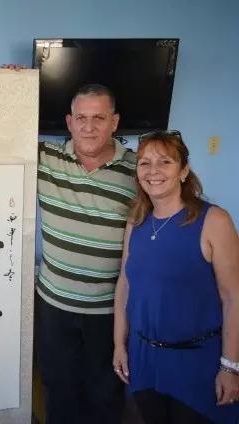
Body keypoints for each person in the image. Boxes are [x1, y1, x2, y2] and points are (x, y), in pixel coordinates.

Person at [113, 130, 239, 423]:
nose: (153, 171)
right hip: (143, 357)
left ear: (183, 171)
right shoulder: (136, 220)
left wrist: (231, 366)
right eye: (144, 163)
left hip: (196, 362)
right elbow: (125, 284)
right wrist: (119, 344)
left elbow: (233, 298)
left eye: (165, 162)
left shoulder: (214, 221)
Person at [35, 84, 135, 423]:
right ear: (69, 122)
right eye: (81, 118)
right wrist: (6, 85)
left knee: (105, 395)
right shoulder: (45, 158)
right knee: (59, 391)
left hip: (108, 311)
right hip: (54, 306)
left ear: (114, 122)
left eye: (99, 118)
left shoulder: (138, 170)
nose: (88, 127)